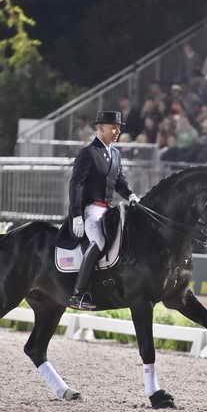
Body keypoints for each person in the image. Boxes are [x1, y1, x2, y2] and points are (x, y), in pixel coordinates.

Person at [68, 110, 140, 309]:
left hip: (108, 210)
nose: (117, 131)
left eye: (119, 128)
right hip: (91, 209)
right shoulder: (88, 153)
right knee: (98, 241)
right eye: (113, 127)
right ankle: (78, 294)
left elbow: (119, 181)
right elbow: (76, 185)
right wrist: (76, 215)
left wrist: (131, 195)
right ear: (100, 128)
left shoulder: (115, 153)